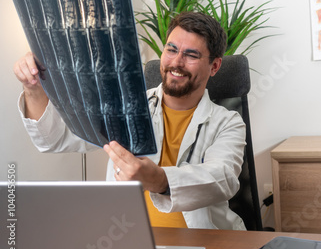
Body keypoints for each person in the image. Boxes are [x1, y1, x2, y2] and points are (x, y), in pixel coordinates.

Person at [13, 11, 247, 230]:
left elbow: (223, 178)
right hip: (128, 239)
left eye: (191, 55)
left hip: (205, 243)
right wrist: (33, 88)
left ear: (214, 66)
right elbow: (54, 140)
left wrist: (159, 180)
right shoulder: (125, 106)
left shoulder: (228, 122)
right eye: (172, 49)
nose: (176, 62)